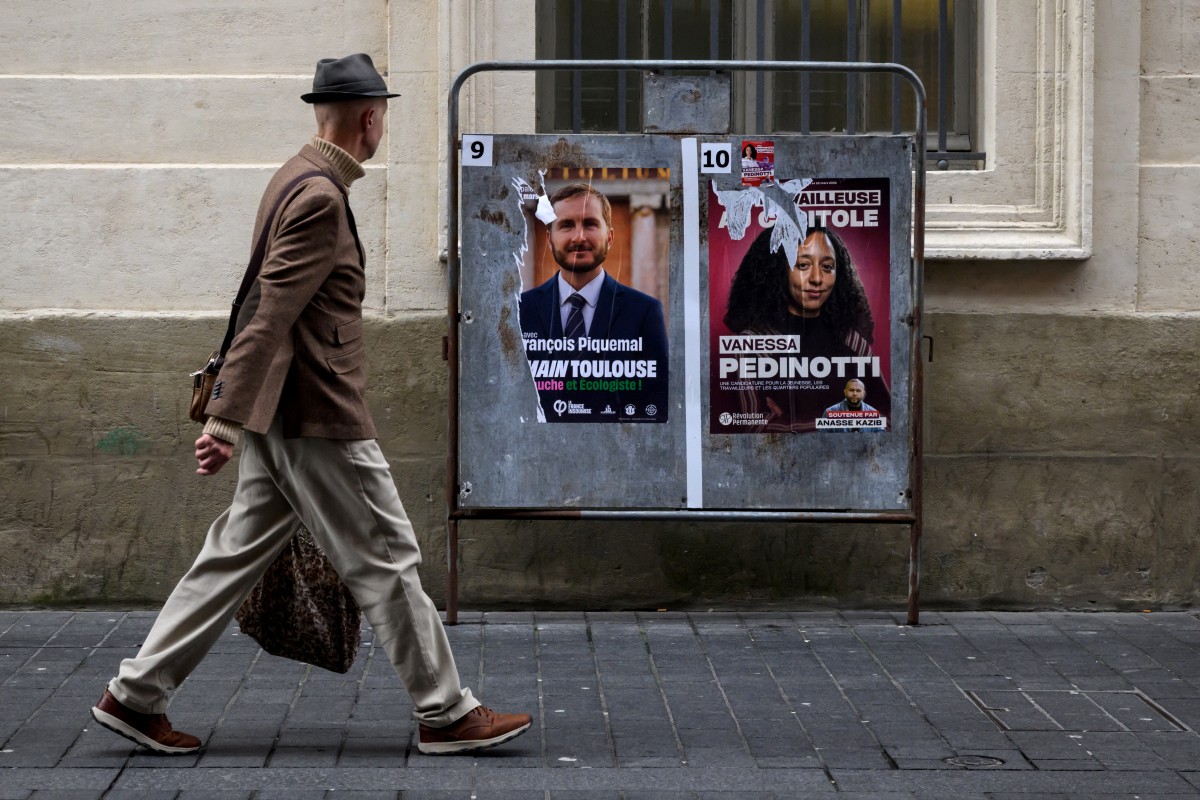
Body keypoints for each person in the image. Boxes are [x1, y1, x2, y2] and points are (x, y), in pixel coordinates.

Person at [90, 53, 530, 757]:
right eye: (382, 115)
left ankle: (136, 695)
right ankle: (446, 712)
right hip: (316, 417)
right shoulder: (321, 197)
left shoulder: (295, 176)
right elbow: (267, 312)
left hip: (283, 417)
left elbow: (262, 305)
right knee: (388, 557)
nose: (382, 124)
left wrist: (238, 416)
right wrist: (224, 419)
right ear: (369, 118)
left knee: (230, 555)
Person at [518, 183, 669, 421]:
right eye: (566, 225)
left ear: (609, 237)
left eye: (590, 223)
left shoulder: (645, 312)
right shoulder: (519, 311)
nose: (579, 237)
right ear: (549, 239)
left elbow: (655, 403)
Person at [722, 224, 886, 432]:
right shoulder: (753, 345)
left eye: (827, 267)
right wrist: (847, 421)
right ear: (777, 268)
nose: (817, 279)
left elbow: (887, 420)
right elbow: (753, 428)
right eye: (802, 265)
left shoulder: (853, 342)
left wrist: (791, 420)